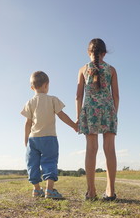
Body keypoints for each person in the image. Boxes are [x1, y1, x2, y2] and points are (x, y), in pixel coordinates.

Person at [21, 71, 77, 199]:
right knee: (50, 162)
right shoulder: (52, 100)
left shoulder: (29, 103)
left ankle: (36, 189)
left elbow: (27, 123)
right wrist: (74, 125)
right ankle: (49, 190)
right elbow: (62, 116)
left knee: (32, 163)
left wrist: (26, 139)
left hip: (33, 139)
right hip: (49, 137)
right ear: (46, 85)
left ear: (32, 87)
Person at [76, 38, 119, 201]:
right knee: (110, 150)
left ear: (89, 52)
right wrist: (114, 113)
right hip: (108, 110)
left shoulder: (82, 69)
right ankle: (110, 191)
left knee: (91, 150)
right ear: (104, 53)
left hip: (90, 110)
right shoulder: (112, 70)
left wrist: (78, 116)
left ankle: (91, 192)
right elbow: (116, 95)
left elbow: (78, 95)